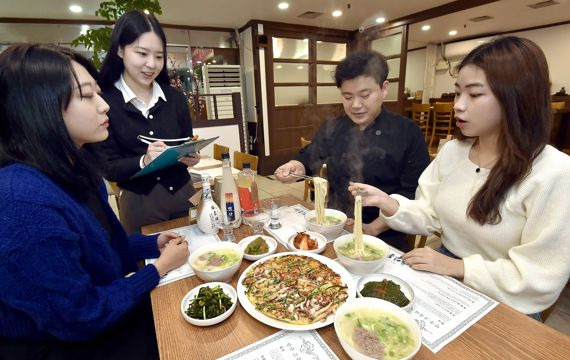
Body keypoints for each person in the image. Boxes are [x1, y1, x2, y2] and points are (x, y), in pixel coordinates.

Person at [349, 36, 570, 319]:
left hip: (506, 303)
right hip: (441, 274)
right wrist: (386, 202)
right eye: (457, 93)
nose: (458, 106)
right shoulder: (453, 151)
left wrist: (458, 267)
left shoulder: (555, 172)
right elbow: (430, 213)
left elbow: (539, 277)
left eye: (475, 95)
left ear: (518, 96)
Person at [0, 44, 189, 359]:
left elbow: (101, 246)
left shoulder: (76, 167)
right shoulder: (22, 201)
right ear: (37, 106)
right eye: (87, 95)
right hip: (65, 344)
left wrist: (151, 244)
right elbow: (79, 317)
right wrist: (158, 268)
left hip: (102, 312)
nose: (105, 107)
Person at [275, 50, 429, 251]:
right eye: (347, 97)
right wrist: (295, 165)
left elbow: (412, 194)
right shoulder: (334, 127)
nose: (356, 105)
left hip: (386, 234)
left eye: (365, 95)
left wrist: (373, 228)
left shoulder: (407, 132)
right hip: (334, 224)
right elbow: (310, 155)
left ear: (384, 89)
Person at [92, 10, 199, 233]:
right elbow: (107, 166)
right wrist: (144, 160)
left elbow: (186, 142)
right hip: (140, 204)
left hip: (185, 194)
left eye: (159, 56)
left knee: (199, 254)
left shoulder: (175, 98)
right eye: (142, 53)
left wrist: (190, 156)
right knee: (152, 262)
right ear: (120, 49)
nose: (151, 64)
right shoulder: (104, 102)